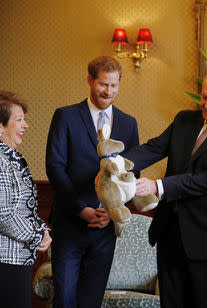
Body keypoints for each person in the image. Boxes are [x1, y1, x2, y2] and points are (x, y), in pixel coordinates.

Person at [123, 70, 207, 307]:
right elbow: (154, 148)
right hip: (171, 232)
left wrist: (158, 185)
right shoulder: (185, 119)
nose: (206, 104)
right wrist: (116, 163)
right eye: (203, 97)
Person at [46, 56, 139, 308]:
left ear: (120, 83)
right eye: (102, 84)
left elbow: (132, 174)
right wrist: (80, 209)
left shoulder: (129, 124)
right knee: (64, 300)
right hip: (69, 223)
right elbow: (55, 167)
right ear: (90, 80)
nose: (108, 91)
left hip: (105, 229)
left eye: (114, 85)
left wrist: (113, 211)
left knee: (91, 300)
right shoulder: (65, 116)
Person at [0, 91, 52, 308]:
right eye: (19, 120)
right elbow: (3, 213)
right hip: (5, 259)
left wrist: (43, 229)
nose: (26, 125)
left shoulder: (14, 157)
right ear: (1, 126)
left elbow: (25, 208)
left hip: (18, 257)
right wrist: (38, 234)